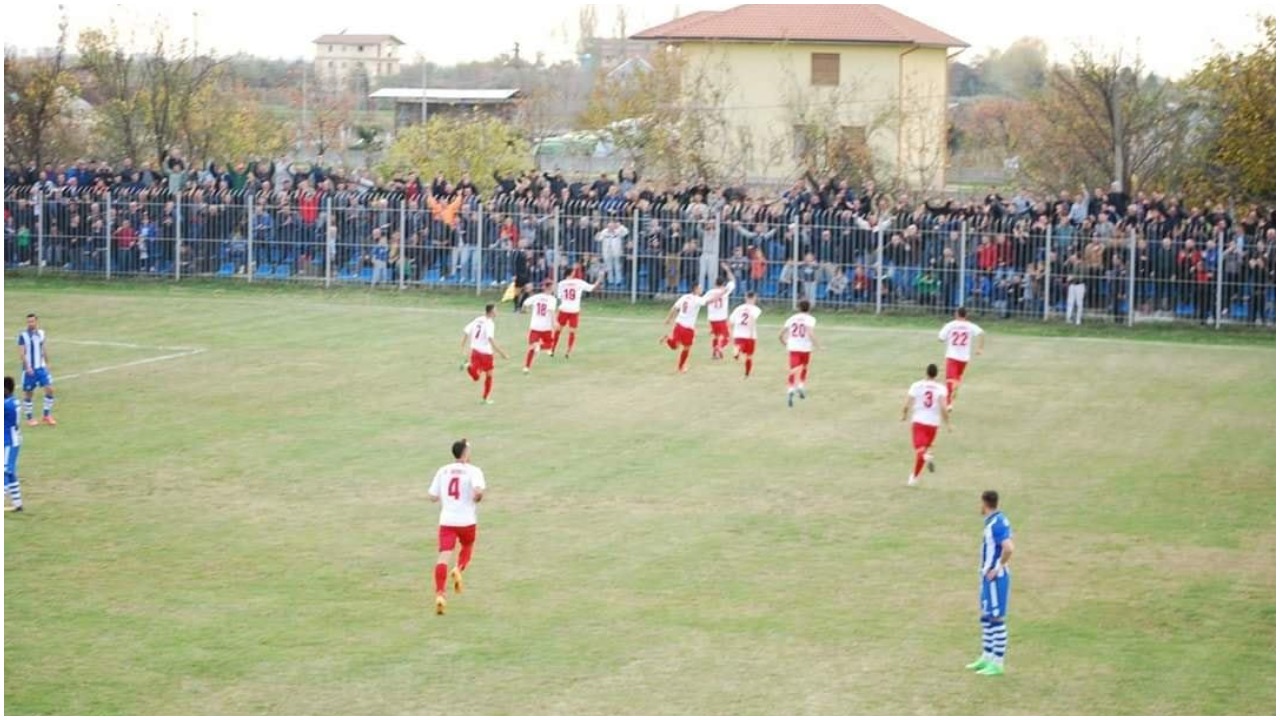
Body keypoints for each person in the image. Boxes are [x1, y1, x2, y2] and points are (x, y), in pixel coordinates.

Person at [427, 438, 487, 616]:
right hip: (467, 520)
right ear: (466, 454)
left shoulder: (443, 471)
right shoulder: (473, 471)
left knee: (443, 557)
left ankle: (440, 594)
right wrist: (477, 497)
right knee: (467, 545)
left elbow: (432, 496)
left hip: (447, 521)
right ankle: (459, 568)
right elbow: (478, 493)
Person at [967, 490, 1014, 676]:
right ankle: (986, 656)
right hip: (987, 577)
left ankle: (998, 663)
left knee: (996, 618)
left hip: (995, 578)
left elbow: (1009, 548)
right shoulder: (996, 520)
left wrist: (998, 567)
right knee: (986, 616)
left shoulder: (996, 524)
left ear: (984, 503)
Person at [660, 280, 731, 373]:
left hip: (678, 324)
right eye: (700, 288)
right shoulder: (697, 299)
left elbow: (674, 308)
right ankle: (681, 367)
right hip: (688, 328)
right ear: (696, 289)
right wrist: (722, 293)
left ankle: (667, 339)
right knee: (686, 348)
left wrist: (668, 319)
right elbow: (710, 301)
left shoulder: (684, 297)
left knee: (675, 346)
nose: (701, 289)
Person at [900, 363, 951, 486]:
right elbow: (944, 408)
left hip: (919, 421)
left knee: (919, 450)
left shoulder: (917, 385)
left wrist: (904, 415)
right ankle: (914, 478)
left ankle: (926, 458)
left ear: (926, 373)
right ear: (936, 375)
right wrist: (948, 424)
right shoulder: (941, 388)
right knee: (923, 450)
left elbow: (907, 403)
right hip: (933, 423)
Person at [459, 304, 509, 404]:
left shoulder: (477, 319)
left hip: (475, 351)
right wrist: (501, 353)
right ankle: (485, 399)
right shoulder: (490, 323)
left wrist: (462, 346)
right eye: (495, 310)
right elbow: (490, 339)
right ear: (490, 312)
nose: (496, 312)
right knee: (489, 375)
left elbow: (466, 331)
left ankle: (468, 365)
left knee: (476, 377)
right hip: (486, 353)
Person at [937, 307, 985, 409]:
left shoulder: (950, 325)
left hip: (952, 356)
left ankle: (949, 403)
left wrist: (944, 331)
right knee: (957, 378)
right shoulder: (970, 326)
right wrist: (980, 348)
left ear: (956, 314)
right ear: (966, 315)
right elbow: (981, 333)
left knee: (949, 379)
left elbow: (940, 339)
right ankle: (955, 388)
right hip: (964, 358)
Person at [779, 300, 820, 407]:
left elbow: (781, 334)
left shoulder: (791, 318)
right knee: (804, 367)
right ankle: (801, 384)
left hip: (793, 346)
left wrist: (784, 342)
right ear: (809, 308)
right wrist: (818, 345)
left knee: (793, 368)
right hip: (805, 347)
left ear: (798, 308)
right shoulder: (811, 319)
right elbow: (810, 333)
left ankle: (791, 388)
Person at [17, 313, 56, 426]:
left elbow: (43, 348)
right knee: (29, 394)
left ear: (36, 322)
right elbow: (22, 353)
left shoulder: (41, 333)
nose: (30, 323)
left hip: (41, 368)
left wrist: (47, 363)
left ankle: (46, 415)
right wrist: (28, 367)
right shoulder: (23, 336)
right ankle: (30, 418)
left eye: (32, 321)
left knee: (50, 389)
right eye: (28, 322)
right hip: (29, 370)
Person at [551, 275, 603, 358]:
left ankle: (552, 349)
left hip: (564, 309)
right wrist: (599, 279)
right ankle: (568, 351)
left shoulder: (562, 283)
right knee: (572, 332)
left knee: (558, 330)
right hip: (574, 310)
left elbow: (559, 297)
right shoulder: (579, 282)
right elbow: (592, 288)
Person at [521, 280, 559, 374]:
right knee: (549, 345)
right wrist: (554, 322)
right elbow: (551, 311)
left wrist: (524, 311)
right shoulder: (552, 299)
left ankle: (526, 367)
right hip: (546, 327)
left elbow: (525, 303)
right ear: (550, 288)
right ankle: (538, 346)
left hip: (535, 326)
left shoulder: (536, 297)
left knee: (532, 347)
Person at [704, 263, 736, 359]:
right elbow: (733, 280)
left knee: (716, 336)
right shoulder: (725, 291)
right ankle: (719, 347)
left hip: (712, 318)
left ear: (715, 283)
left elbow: (703, 302)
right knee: (725, 337)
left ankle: (715, 353)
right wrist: (727, 270)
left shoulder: (709, 292)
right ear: (723, 284)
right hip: (721, 318)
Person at [728, 292, 762, 378]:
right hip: (750, 334)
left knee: (739, 347)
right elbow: (751, 318)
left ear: (745, 298)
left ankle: (737, 349)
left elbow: (731, 321)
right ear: (754, 298)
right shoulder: (756, 309)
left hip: (738, 333)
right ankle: (747, 373)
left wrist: (730, 333)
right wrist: (750, 332)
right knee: (749, 356)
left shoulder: (738, 308)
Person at [4, 376, 23, 512]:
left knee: (4, 471)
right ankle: (18, 503)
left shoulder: (6, 405)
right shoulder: (14, 401)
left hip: (9, 441)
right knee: (11, 473)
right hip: (14, 439)